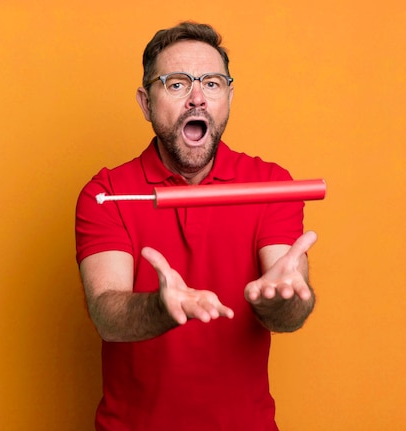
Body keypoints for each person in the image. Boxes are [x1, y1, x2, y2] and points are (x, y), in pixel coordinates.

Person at [75, 21, 317, 431]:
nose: (197, 98)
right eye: (176, 84)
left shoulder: (271, 184)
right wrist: (160, 306)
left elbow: (288, 312)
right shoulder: (108, 193)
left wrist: (283, 297)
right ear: (145, 101)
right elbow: (105, 313)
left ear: (229, 96)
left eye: (212, 83)